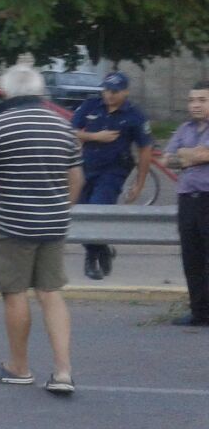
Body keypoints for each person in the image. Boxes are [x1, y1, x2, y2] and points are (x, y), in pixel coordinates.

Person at [0, 65, 82, 395]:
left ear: (6, 92)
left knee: (15, 293)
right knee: (51, 293)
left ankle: (18, 367)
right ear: (39, 92)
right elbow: (76, 179)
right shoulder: (64, 127)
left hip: (9, 225)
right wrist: (61, 209)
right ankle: (63, 372)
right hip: (53, 224)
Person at [71, 72, 153, 279]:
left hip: (113, 171)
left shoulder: (135, 115)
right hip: (86, 168)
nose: (109, 95)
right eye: (106, 90)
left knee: (97, 209)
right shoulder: (91, 105)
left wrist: (139, 183)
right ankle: (103, 248)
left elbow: (145, 149)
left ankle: (91, 257)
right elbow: (69, 130)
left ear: (125, 91)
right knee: (80, 214)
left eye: (114, 91)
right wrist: (93, 136)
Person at [161, 81, 209, 327]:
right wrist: (193, 156)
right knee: (192, 258)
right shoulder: (184, 128)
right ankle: (199, 312)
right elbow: (167, 159)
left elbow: (204, 155)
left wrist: (189, 156)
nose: (196, 105)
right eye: (192, 100)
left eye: (202, 100)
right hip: (187, 198)